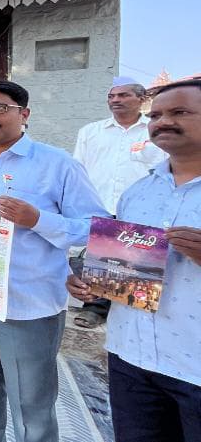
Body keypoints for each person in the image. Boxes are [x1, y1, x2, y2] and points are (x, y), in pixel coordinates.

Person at [0, 80, 106, 442]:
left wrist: (37, 220)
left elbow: (95, 228)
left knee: (32, 406)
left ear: (24, 114)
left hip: (28, 303)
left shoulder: (58, 164)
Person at [66, 79, 201, 442]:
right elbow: (123, 271)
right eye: (156, 115)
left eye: (180, 112)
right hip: (130, 358)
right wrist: (95, 283)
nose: (163, 121)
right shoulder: (137, 193)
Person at [72, 76, 167, 329]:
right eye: (111, 96)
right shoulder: (91, 132)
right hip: (101, 202)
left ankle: (133, 316)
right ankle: (95, 309)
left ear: (142, 99)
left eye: (123, 95)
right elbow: (78, 168)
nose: (115, 100)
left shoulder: (154, 131)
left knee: (138, 264)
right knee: (102, 261)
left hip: (142, 207)